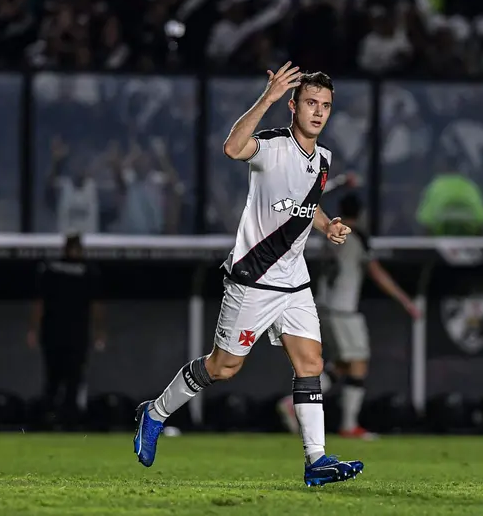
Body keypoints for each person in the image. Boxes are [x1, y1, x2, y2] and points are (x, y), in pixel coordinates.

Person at [133, 63, 364, 487]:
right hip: (254, 277)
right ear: (293, 105)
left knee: (311, 361)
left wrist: (327, 224)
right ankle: (155, 412)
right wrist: (267, 98)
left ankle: (317, 460)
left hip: (294, 281)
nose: (318, 112)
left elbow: (305, 205)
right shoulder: (273, 145)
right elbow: (232, 148)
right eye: (310, 103)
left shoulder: (324, 159)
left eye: (325, 106)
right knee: (223, 367)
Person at [278, 193, 421, 439]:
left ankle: (296, 405)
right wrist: (406, 302)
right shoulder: (357, 237)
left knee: (343, 365)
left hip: (323, 306)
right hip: (343, 310)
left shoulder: (331, 235)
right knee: (358, 363)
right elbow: (376, 272)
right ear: (361, 213)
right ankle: (346, 424)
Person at [28, 233, 106, 429]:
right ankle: (58, 419)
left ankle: (59, 419)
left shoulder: (50, 269)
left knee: (65, 378)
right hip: (65, 333)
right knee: (61, 378)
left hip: (64, 333)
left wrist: (98, 330)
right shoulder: (87, 270)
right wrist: (34, 330)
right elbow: (40, 303)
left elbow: (95, 305)